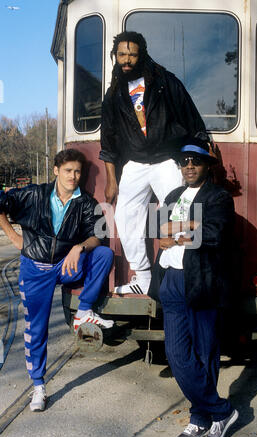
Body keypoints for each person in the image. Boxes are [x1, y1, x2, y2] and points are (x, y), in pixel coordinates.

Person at [0, 149, 114, 412]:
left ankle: (83, 311)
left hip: (65, 265)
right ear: (55, 171)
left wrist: (80, 247)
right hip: (35, 269)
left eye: (77, 172)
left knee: (103, 255)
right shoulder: (33, 194)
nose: (73, 176)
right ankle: (38, 386)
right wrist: (14, 236)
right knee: (36, 328)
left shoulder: (85, 202)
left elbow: (98, 236)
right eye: (68, 171)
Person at [100, 31, 208, 295]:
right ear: (116, 55)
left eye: (132, 55)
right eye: (122, 54)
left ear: (141, 55)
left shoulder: (164, 82)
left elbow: (190, 116)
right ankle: (144, 277)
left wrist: (196, 149)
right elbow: (109, 140)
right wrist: (112, 180)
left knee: (181, 213)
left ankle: (183, 274)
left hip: (164, 159)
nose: (126, 60)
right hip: (135, 163)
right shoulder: (114, 93)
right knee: (125, 216)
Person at [148, 137, 239, 437]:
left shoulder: (218, 198)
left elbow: (214, 234)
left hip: (201, 280)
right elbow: (157, 230)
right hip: (171, 279)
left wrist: (174, 234)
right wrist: (180, 231)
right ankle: (220, 410)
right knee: (176, 354)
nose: (189, 166)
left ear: (206, 166)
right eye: (184, 161)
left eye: (195, 161)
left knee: (205, 351)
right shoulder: (173, 195)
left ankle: (201, 417)